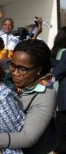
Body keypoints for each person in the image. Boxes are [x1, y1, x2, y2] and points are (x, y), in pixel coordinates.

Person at [0, 39, 56, 154]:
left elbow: (28, 137)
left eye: (23, 69)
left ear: (39, 70)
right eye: (12, 65)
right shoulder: (5, 79)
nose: (15, 73)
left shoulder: (45, 93)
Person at [51, 26, 66, 154]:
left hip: (64, 103)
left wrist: (42, 82)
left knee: (61, 138)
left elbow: (59, 71)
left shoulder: (63, 52)